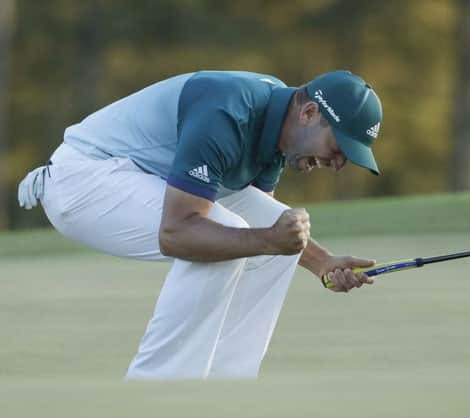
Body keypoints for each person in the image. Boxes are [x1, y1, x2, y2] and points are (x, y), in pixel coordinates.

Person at [17, 69, 383, 379]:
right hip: (81, 179)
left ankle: (224, 393)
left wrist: (322, 263)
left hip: (145, 178)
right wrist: (269, 239)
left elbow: (264, 231)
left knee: (267, 238)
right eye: (339, 147)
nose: (337, 163)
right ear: (309, 113)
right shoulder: (227, 110)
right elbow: (178, 233)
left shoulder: (280, 127)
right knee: (221, 236)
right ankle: (157, 398)